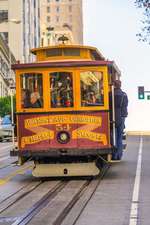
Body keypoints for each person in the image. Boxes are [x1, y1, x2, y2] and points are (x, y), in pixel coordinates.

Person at [112, 80, 128, 160]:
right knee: (119, 137)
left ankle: (114, 155)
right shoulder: (124, 95)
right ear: (120, 85)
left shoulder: (110, 94)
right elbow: (125, 105)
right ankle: (119, 155)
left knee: (113, 136)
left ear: (114, 85)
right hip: (121, 116)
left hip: (113, 117)